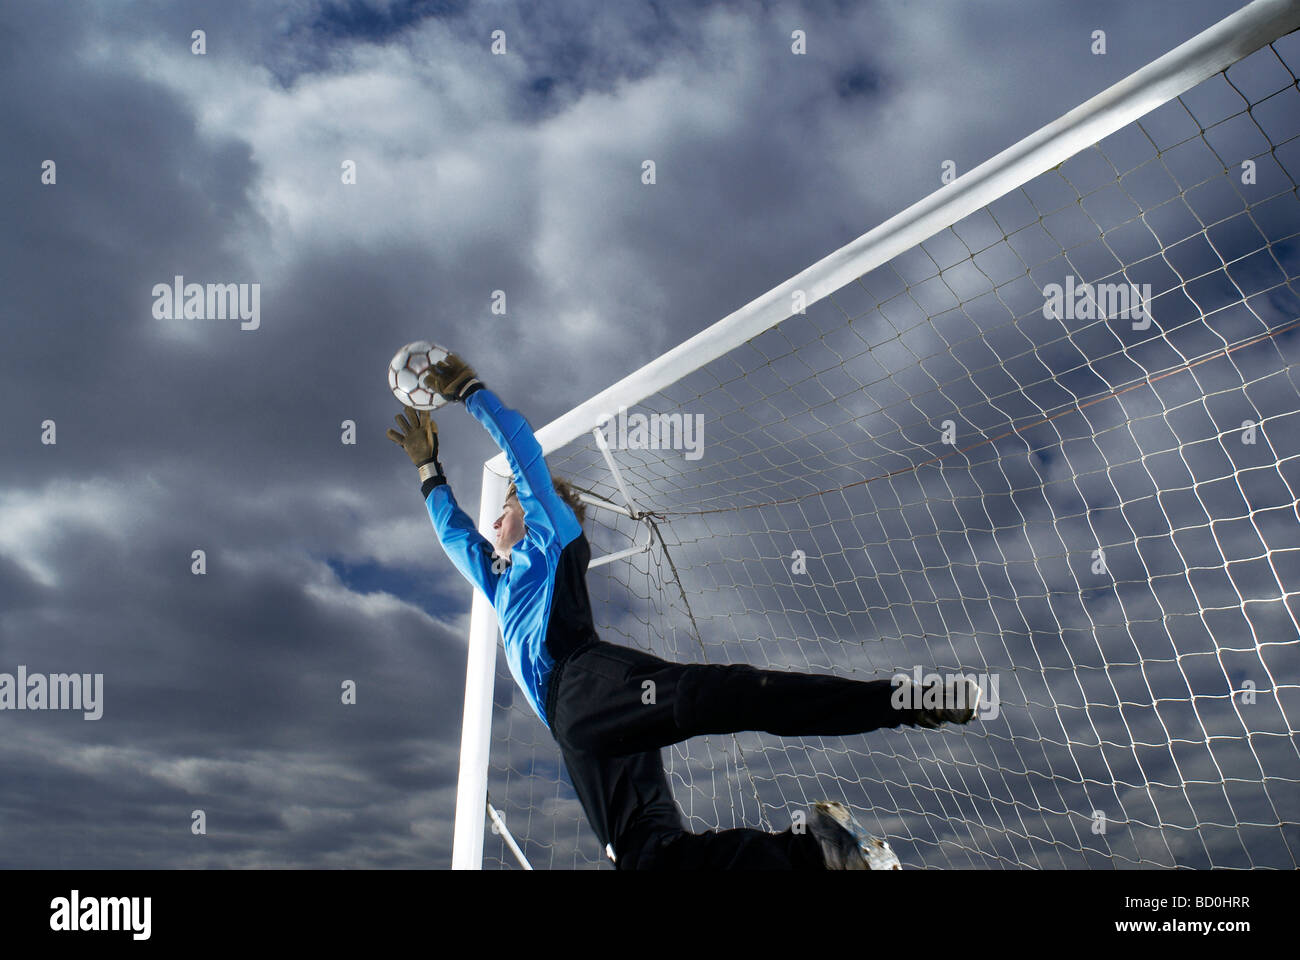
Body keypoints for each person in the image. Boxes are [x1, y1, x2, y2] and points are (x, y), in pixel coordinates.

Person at [387, 352, 981, 870]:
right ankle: (818, 853)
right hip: (586, 735)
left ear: (539, 509)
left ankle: (903, 702)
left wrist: (468, 392)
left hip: (583, 681)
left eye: (508, 505)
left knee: (722, 696)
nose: (495, 519)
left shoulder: (553, 537)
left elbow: (520, 446)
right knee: (653, 859)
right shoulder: (499, 581)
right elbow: (455, 535)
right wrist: (427, 471)